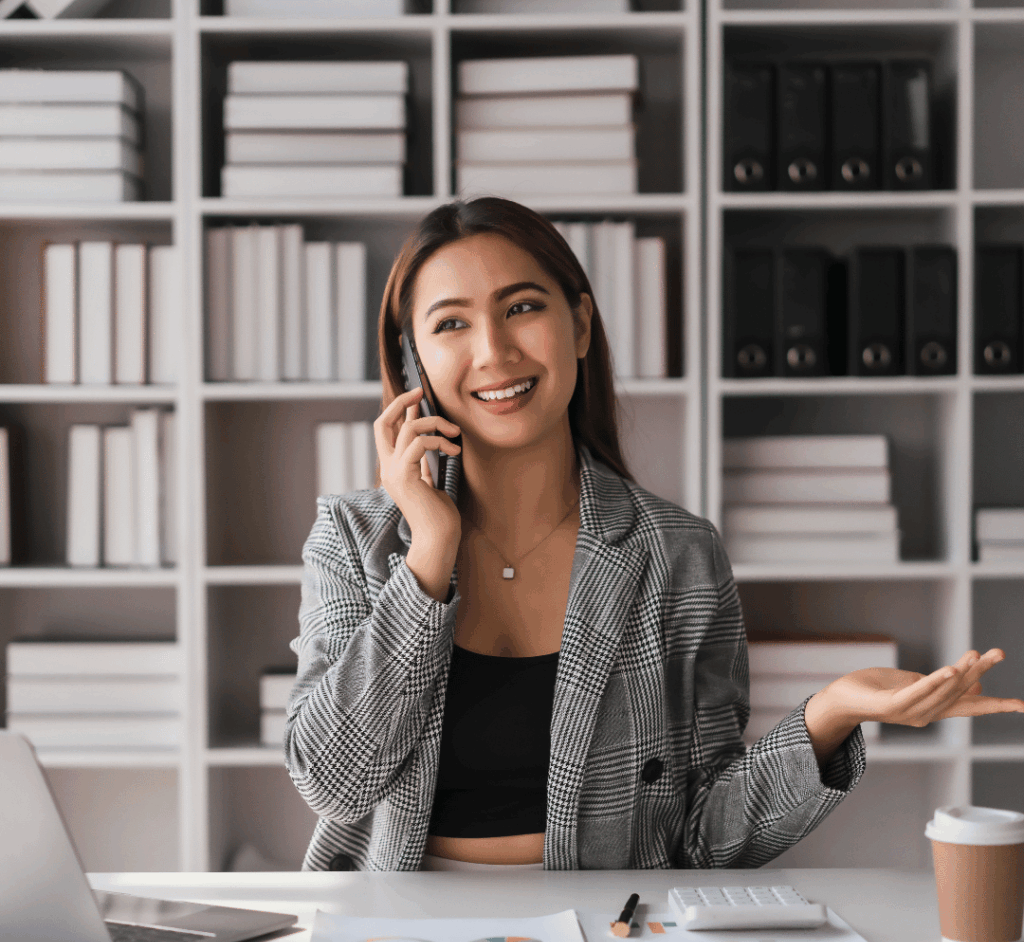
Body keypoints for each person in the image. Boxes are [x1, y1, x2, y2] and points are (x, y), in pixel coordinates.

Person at [285, 196, 1021, 872]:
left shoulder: (678, 554)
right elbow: (331, 780)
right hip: (394, 936)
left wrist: (831, 713)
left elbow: (707, 838)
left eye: (522, 307)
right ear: (413, 359)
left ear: (578, 325)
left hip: (609, 935)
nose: (493, 352)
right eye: (451, 323)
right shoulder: (354, 539)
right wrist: (429, 555)